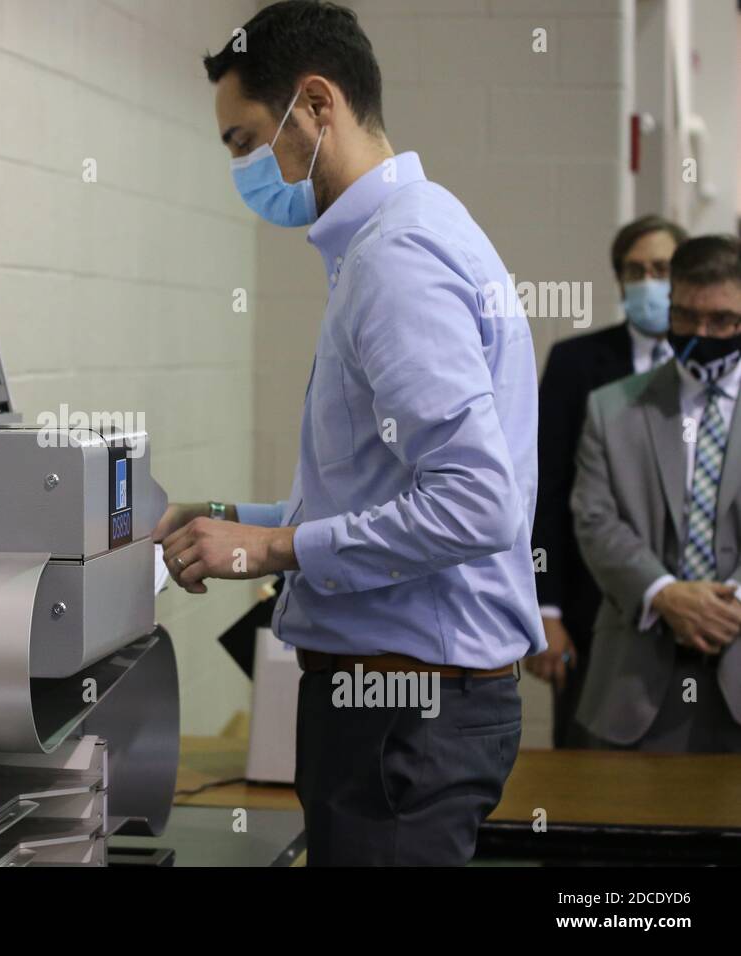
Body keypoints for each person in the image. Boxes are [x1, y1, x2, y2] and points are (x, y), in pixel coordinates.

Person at [152, 0, 544, 865]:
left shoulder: (396, 261)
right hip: (398, 710)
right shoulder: (395, 240)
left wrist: (273, 549)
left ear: (316, 106)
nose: (244, 167)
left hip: (407, 720)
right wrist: (222, 518)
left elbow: (478, 507)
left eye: (245, 140)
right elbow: (381, 495)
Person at [572, 235, 741, 752]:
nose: (701, 334)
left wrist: (728, 605)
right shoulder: (613, 407)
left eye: (723, 322)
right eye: (686, 317)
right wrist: (663, 592)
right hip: (635, 682)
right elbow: (594, 519)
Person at [529, 215, 687, 748]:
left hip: (701, 618)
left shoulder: (715, 367)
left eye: (662, 269)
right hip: (590, 614)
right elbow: (545, 490)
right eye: (635, 270)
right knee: (588, 778)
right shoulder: (576, 364)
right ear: (619, 280)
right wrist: (544, 611)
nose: (648, 282)